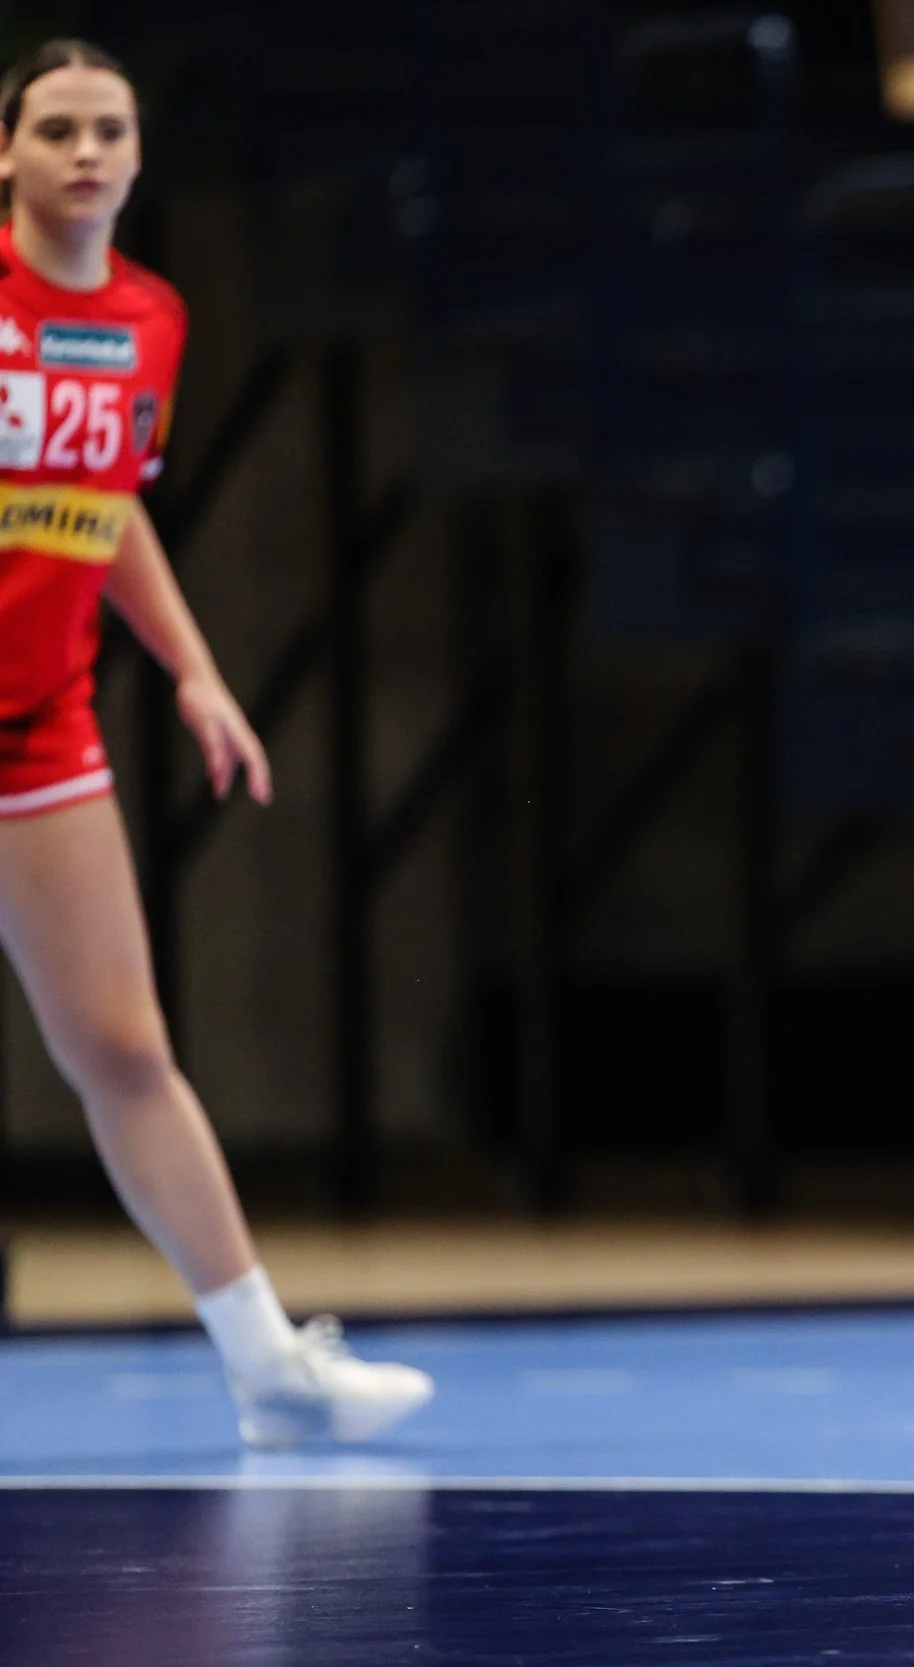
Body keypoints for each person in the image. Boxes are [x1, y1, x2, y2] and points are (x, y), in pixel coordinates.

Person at [0, 41, 431, 1446]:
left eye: (108, 128)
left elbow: (107, 499)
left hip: (40, 726)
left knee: (124, 1044)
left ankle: (266, 1363)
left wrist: (194, 668)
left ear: (135, 155)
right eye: (55, 127)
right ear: (5, 152)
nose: (84, 150)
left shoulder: (149, 319)